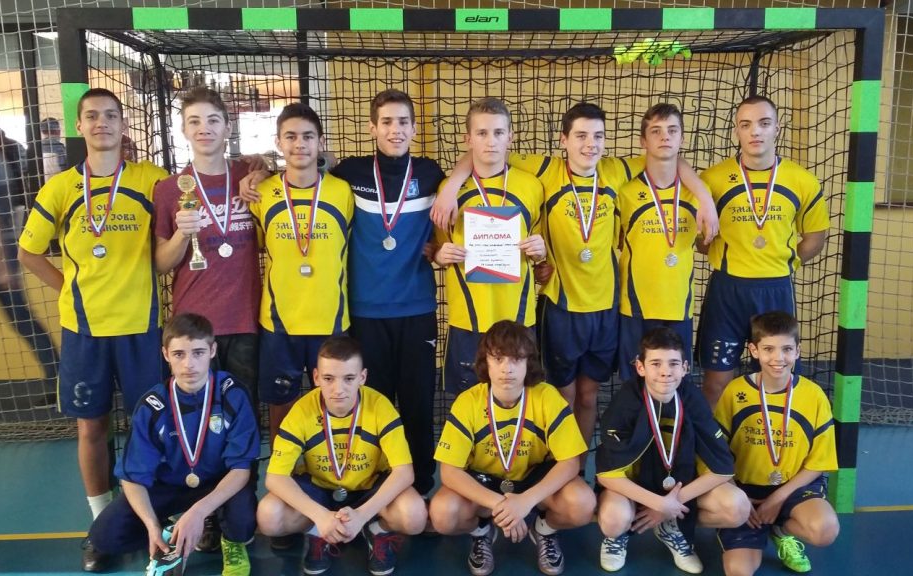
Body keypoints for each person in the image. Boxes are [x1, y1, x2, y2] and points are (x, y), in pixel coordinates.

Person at [433, 101, 716, 473]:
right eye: (580, 136)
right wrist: (451, 186)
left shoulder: (614, 171)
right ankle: (557, 470)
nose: (590, 144)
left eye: (598, 136)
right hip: (561, 308)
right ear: (563, 140)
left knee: (588, 396)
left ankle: (579, 470)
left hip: (606, 310)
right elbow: (486, 152)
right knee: (562, 396)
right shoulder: (546, 171)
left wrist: (705, 198)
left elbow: (669, 156)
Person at [242, 89, 445, 498]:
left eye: (403, 122)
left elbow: (467, 176)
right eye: (386, 122)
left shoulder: (430, 173)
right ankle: (373, 487)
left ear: (414, 128)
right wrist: (258, 169)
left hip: (417, 308)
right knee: (370, 406)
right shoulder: (350, 174)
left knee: (419, 404)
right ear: (372, 128)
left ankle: (421, 487)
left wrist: (450, 199)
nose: (395, 130)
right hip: (364, 313)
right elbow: (307, 167)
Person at [18, 88, 168, 520]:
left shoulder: (151, 179)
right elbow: (28, 252)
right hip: (85, 330)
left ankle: (154, 508)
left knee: (151, 424)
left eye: (110, 115)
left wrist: (253, 167)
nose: (102, 122)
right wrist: (67, 286)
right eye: (92, 115)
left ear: (123, 124)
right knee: (91, 426)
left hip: (142, 326)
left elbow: (198, 189)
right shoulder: (60, 187)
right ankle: (102, 516)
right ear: (79, 126)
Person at [153, 86, 262, 553]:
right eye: (195, 121)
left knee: (241, 423)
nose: (204, 129)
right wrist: (182, 235)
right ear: (184, 129)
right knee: (195, 428)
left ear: (227, 126)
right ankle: (203, 511)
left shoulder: (249, 175)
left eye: (213, 120)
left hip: (245, 322)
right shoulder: (168, 189)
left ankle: (240, 512)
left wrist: (261, 167)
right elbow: (160, 263)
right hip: (194, 331)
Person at [81, 313, 259, 575]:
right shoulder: (153, 405)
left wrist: (198, 512)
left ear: (212, 350)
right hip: (168, 486)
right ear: (165, 354)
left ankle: (224, 535)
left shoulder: (232, 394)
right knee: (105, 536)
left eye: (198, 352)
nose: (189, 364)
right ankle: (169, 532)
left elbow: (241, 469)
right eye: (179, 354)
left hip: (218, 483)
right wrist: (151, 525)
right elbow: (132, 478)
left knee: (243, 519)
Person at [429, 320, 595, 576]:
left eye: (516, 359)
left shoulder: (547, 397)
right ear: (485, 362)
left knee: (583, 504)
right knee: (442, 514)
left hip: (534, 480)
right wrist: (501, 504)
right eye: (498, 359)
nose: (506, 368)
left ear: (529, 363)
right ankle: (481, 531)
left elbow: (570, 462)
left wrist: (526, 501)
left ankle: (544, 529)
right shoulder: (468, 402)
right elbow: (449, 472)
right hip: (486, 483)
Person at [697, 95, 829, 407]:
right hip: (727, 291)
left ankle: (770, 438)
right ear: (736, 131)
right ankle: (713, 440)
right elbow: (699, 241)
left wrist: (783, 262)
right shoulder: (711, 180)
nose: (755, 131)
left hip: (775, 290)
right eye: (746, 125)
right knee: (716, 384)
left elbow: (815, 238)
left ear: (777, 129)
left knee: (776, 379)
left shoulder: (802, 180)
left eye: (764, 123)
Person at [256, 334, 426, 576]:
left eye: (348, 378)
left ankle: (376, 530)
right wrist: (320, 516)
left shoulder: (380, 406)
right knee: (268, 516)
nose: (338, 389)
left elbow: (404, 472)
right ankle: (317, 531)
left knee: (415, 515)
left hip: (369, 489)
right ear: (316, 377)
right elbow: (275, 477)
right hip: (319, 491)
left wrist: (362, 515)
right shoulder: (302, 411)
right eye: (328, 378)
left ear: (362, 377)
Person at [595, 327, 749, 573]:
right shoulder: (625, 402)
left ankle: (670, 527)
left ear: (685, 368)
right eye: (656, 363)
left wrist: (668, 507)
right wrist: (657, 503)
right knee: (614, 520)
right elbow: (606, 475)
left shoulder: (693, 400)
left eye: (674, 363)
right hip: (634, 490)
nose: (665, 372)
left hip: (678, 489)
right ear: (640, 367)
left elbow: (723, 469)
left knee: (738, 507)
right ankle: (618, 536)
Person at [246, 102, 354, 448]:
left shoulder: (343, 191)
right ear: (278, 142)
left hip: (331, 320)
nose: (299, 144)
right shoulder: (261, 193)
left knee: (336, 404)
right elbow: (256, 245)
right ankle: (283, 473)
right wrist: (256, 171)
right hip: (280, 322)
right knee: (282, 408)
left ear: (320, 142)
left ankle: (332, 469)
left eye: (308, 136)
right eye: (290, 136)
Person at [432, 97, 546, 392]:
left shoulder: (532, 186)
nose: (491, 141)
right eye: (481, 133)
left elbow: (541, 250)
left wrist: (540, 250)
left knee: (519, 397)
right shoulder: (448, 190)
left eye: (498, 132)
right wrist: (441, 255)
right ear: (468, 139)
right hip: (468, 318)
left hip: (517, 316)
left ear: (511, 136)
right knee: (467, 400)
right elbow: (437, 248)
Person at [714, 311, 839, 576]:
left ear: (798, 351)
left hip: (793, 487)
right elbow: (716, 454)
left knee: (825, 530)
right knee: (738, 571)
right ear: (754, 350)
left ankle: (780, 528)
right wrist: (736, 496)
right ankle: (747, 525)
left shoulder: (814, 395)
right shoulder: (735, 392)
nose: (778, 358)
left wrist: (777, 499)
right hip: (745, 492)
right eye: (768, 349)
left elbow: (820, 462)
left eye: (787, 349)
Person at [0, 99, 59, 393]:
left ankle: (58, 377)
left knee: (22, 318)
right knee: (22, 319)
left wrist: (2, 267)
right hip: (1, 250)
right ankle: (57, 378)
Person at [616, 103, 700, 380]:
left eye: (672, 130)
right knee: (634, 384)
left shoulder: (698, 192)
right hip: (636, 307)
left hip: (679, 306)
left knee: (675, 383)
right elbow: (615, 242)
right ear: (643, 141)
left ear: (682, 138)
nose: (665, 137)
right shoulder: (625, 191)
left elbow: (705, 244)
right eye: (656, 131)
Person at [24, 117, 69, 212]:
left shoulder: (31, 151)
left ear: (41, 132)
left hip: (38, 196)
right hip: (60, 195)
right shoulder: (64, 151)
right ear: (58, 131)